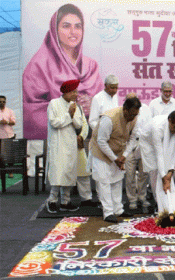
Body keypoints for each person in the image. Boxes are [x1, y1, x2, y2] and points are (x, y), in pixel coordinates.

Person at [23, 3, 103, 140]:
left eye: (78, 26)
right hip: (59, 137)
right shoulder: (38, 66)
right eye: (66, 26)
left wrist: (92, 105)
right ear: (55, 30)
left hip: (86, 136)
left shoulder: (91, 66)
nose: (73, 32)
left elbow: (103, 103)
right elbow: (32, 113)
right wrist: (71, 109)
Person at [89, 97, 141, 223]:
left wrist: (124, 156)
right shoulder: (109, 118)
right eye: (131, 114)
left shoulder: (134, 118)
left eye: (136, 114)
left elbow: (133, 138)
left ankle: (118, 210)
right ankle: (107, 212)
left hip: (118, 153)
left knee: (117, 179)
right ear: (125, 110)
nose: (133, 117)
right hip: (100, 152)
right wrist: (115, 159)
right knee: (104, 181)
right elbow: (101, 141)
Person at [45, 79, 84, 214]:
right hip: (58, 144)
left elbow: (79, 125)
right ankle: (52, 200)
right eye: (74, 91)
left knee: (68, 172)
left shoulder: (74, 105)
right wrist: (69, 115)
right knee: (58, 173)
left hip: (70, 144)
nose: (76, 94)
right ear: (66, 92)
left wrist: (72, 116)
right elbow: (54, 123)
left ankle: (65, 202)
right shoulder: (54, 103)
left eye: (76, 91)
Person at [140, 110, 175, 216]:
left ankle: (171, 207)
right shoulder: (157, 127)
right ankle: (159, 204)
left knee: (168, 176)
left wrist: (170, 172)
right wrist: (163, 176)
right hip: (149, 145)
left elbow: (174, 150)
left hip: (163, 148)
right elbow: (159, 153)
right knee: (155, 173)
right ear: (169, 121)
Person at [125, 93, 152, 210]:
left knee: (143, 173)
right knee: (129, 174)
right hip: (129, 145)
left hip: (144, 144)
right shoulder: (123, 111)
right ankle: (132, 199)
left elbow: (150, 126)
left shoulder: (146, 109)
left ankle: (142, 197)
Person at [0, 96, 16, 178]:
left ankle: (10, 172)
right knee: (0, 156)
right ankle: (1, 172)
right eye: (0, 101)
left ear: (5, 102)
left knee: (10, 155)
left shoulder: (10, 111)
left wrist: (6, 122)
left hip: (9, 135)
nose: (2, 103)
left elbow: (13, 122)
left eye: (3, 101)